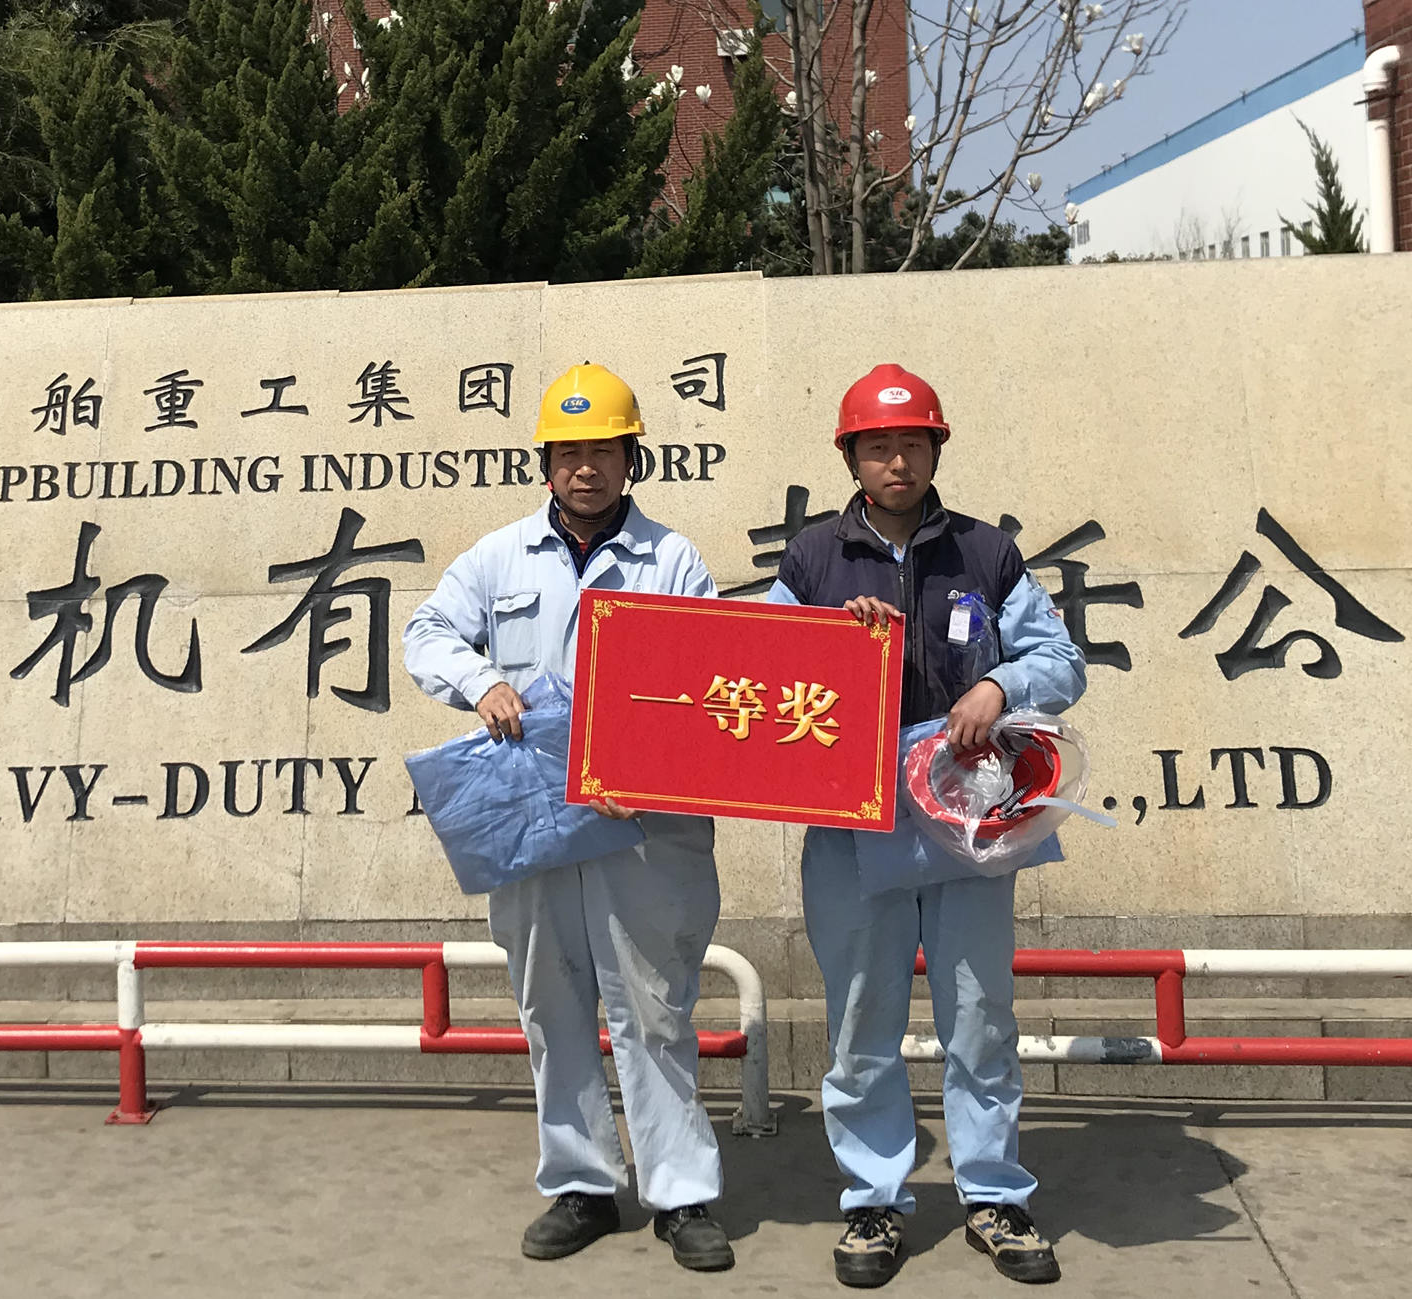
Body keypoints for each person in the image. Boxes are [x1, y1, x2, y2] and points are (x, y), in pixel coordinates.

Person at [402, 363, 734, 1272]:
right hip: (534, 822)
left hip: (644, 828)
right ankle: (582, 1183)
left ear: (632, 459)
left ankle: (680, 1193)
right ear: (545, 462)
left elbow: (710, 677)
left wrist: (648, 759)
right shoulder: (498, 556)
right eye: (569, 452)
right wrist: (482, 681)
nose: (586, 468)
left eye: (604, 451)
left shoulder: (673, 559)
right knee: (551, 1003)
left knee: (654, 1008)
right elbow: (426, 633)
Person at [765, 364, 1085, 1288]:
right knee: (860, 1018)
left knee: (979, 1016)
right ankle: (872, 1201)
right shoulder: (812, 559)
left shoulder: (987, 553)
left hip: (966, 818)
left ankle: (994, 1194)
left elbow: (1060, 659)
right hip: (850, 819)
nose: (896, 460)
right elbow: (767, 673)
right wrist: (834, 635)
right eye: (878, 446)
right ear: (851, 458)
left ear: (937, 448)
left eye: (912, 443)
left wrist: (1000, 684)